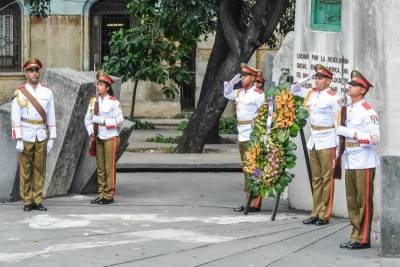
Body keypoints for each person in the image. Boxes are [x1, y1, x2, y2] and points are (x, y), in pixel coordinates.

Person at [291, 64, 341, 225]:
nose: (317, 80)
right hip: (314, 139)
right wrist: (307, 77)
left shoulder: (334, 97)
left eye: (320, 78)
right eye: (316, 78)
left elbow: (338, 122)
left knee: (327, 179)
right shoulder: (311, 94)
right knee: (316, 178)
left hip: (328, 139)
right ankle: (315, 211)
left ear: (328, 81)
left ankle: (324, 214)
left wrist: (339, 146)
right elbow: (294, 89)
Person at [337, 70, 379, 249]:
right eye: (349, 84)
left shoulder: (367, 110)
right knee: (352, 200)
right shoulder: (348, 108)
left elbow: (375, 138)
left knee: (363, 202)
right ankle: (355, 235)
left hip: (364, 160)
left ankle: (363, 238)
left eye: (353, 84)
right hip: (350, 159)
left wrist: (351, 133)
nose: (349, 86)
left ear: (362, 90)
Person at [11, 58, 57, 212]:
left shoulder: (47, 92)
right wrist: (18, 138)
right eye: (31, 70)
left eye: (37, 70)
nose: (35, 73)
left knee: (40, 169)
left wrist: (52, 138)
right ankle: (27, 200)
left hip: (41, 135)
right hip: (26, 134)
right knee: (26, 169)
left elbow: (51, 115)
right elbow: (15, 116)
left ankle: (38, 199)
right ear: (26, 73)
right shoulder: (20, 92)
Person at [224, 63, 265, 212]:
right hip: (241, 134)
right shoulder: (240, 92)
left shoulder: (258, 95)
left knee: (255, 169)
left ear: (254, 77)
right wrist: (234, 80)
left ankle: (255, 202)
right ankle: (247, 200)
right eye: (242, 75)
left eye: (246, 75)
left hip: (252, 135)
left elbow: (264, 115)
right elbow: (227, 92)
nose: (243, 78)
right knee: (247, 170)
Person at [85, 72, 123, 205]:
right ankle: (101, 193)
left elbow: (119, 120)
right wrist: (91, 131)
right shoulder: (93, 101)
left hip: (110, 137)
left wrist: (102, 121)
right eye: (98, 84)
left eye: (101, 84)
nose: (98, 86)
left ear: (107, 87)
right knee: (100, 167)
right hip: (98, 137)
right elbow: (87, 119)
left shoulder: (113, 102)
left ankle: (109, 194)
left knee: (109, 167)